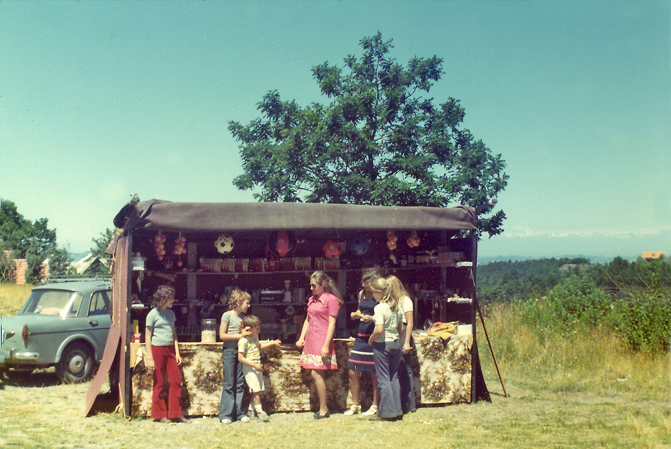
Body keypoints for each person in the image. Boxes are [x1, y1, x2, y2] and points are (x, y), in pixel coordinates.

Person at [296, 271, 342, 420]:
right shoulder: (312, 299)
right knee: (315, 373)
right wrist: (301, 338)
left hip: (322, 339)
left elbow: (332, 324)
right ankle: (322, 407)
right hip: (311, 339)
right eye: (310, 285)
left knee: (316, 373)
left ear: (323, 285)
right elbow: (307, 320)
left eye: (314, 285)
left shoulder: (331, 299)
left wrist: (326, 345)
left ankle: (323, 408)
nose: (311, 288)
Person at [144, 284, 189, 423]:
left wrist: (177, 352)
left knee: (176, 381)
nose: (173, 300)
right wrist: (150, 358)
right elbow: (147, 337)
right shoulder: (152, 314)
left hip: (170, 350)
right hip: (157, 350)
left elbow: (174, 334)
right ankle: (160, 415)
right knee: (159, 383)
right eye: (170, 298)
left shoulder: (171, 314)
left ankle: (176, 413)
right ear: (163, 299)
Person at [344, 267, 381, 416]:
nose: (363, 285)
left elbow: (384, 314)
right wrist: (356, 314)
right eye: (362, 282)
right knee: (352, 370)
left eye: (366, 282)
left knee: (374, 372)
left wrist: (372, 318)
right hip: (361, 335)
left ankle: (375, 405)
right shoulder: (361, 293)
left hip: (374, 336)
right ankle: (355, 405)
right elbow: (360, 309)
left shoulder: (379, 295)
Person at [367, 276, 404, 421]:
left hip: (382, 344)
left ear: (380, 293)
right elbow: (401, 328)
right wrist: (398, 340)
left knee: (383, 378)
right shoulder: (396, 306)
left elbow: (379, 329)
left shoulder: (379, 308)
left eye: (373, 293)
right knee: (393, 377)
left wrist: (371, 339)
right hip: (395, 343)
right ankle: (397, 410)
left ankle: (387, 412)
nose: (372, 296)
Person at [238, 315, 282, 422]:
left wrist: (272, 342)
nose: (259, 331)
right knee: (256, 390)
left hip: (256, 366)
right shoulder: (243, 341)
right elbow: (240, 357)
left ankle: (250, 410)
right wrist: (254, 365)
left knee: (256, 389)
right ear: (249, 329)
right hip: (250, 368)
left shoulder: (254, 338)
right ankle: (259, 411)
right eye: (257, 329)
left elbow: (259, 346)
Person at [218, 288, 253, 424]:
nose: (249, 305)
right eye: (247, 303)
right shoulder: (227, 315)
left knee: (239, 383)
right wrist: (240, 335)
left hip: (241, 352)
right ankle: (226, 414)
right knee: (229, 383)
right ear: (238, 302)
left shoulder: (244, 318)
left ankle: (239, 412)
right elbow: (222, 335)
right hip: (229, 351)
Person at [387, 275, 416, 414]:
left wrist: (406, 342)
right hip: (396, 330)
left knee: (405, 368)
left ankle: (409, 404)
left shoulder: (405, 301)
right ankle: (398, 403)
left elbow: (410, 322)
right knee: (396, 369)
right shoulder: (393, 301)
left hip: (404, 332)